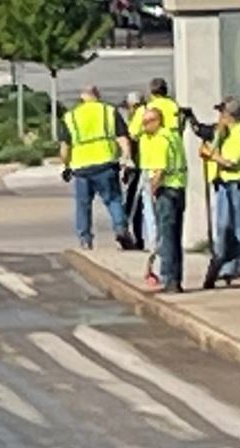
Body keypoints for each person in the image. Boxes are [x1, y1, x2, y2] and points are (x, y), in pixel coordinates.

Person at [201, 96, 240, 288]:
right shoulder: (229, 131)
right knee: (226, 229)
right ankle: (229, 268)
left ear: (231, 116)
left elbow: (231, 162)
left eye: (222, 113)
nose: (220, 117)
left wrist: (211, 154)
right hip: (228, 185)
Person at [59, 84, 125, 249]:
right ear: (97, 95)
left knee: (83, 206)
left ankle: (85, 239)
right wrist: (126, 158)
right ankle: (120, 229)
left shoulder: (70, 117)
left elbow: (65, 147)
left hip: (81, 168)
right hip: (106, 164)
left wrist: (66, 165)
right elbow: (122, 138)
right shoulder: (108, 111)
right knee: (113, 200)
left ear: (82, 97)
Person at [135, 103, 187, 293]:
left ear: (157, 122)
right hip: (178, 188)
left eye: (147, 122)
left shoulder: (159, 139)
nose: (144, 126)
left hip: (166, 191)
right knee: (174, 236)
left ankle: (169, 279)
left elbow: (159, 171)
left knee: (167, 238)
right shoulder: (172, 136)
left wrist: (152, 192)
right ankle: (175, 278)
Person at [114, 91, 145, 252]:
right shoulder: (141, 113)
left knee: (133, 205)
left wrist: (126, 164)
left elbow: (131, 138)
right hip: (142, 164)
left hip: (140, 166)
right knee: (136, 205)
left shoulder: (139, 114)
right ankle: (136, 237)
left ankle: (132, 237)